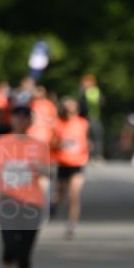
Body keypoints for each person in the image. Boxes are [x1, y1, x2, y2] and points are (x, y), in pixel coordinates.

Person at [0, 105, 49, 268]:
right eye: (17, 117)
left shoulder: (39, 146)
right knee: (8, 248)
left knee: (25, 252)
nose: (21, 121)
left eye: (25, 118)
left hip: (32, 204)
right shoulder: (0, 144)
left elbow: (49, 171)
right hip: (7, 202)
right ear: (12, 120)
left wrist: (39, 168)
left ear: (30, 121)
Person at [52, 97, 89, 239]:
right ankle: (53, 208)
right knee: (60, 195)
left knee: (74, 196)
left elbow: (88, 140)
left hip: (77, 163)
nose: (69, 111)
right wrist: (60, 144)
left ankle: (71, 225)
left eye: (72, 108)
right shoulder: (58, 124)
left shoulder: (83, 123)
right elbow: (52, 143)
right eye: (66, 109)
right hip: (62, 163)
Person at [78, 75, 104, 160]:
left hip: (93, 117)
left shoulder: (93, 91)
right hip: (85, 118)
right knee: (87, 137)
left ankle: (97, 155)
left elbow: (96, 101)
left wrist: (84, 91)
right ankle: (89, 155)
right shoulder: (84, 91)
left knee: (95, 137)